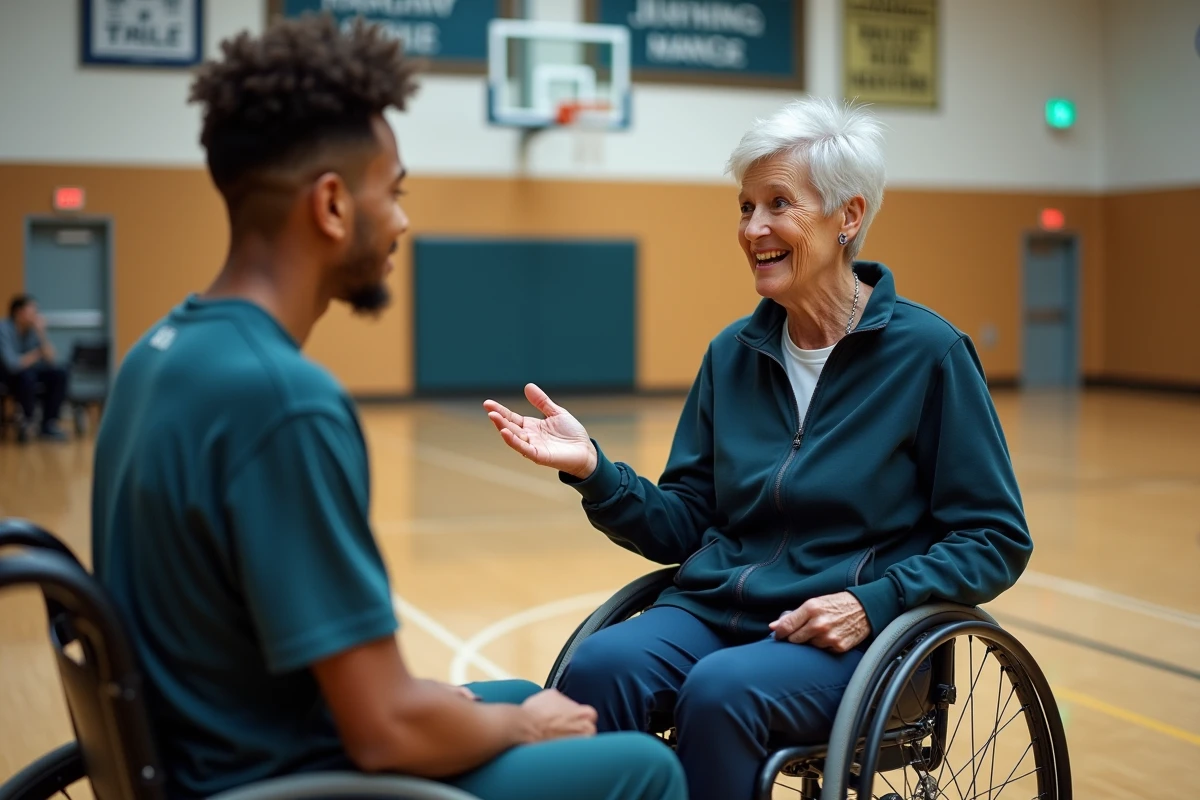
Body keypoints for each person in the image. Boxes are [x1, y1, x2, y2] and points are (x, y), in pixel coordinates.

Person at [90, 14, 684, 800]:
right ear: (332, 205)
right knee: (643, 768)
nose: (402, 220)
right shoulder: (283, 403)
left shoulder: (159, 352)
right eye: (393, 192)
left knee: (509, 693)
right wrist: (515, 728)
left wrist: (491, 714)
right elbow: (384, 731)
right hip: (277, 781)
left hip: (213, 746)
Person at [483, 97, 1033, 800]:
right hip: (716, 614)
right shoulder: (731, 354)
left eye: (778, 204)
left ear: (849, 217)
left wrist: (874, 600)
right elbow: (685, 520)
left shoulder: (929, 355)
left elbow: (995, 536)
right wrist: (594, 470)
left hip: (854, 638)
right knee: (599, 668)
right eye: (745, 207)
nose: (754, 229)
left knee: (720, 692)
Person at [0, 295, 69, 442]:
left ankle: (48, 424)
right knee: (27, 377)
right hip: (9, 376)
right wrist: (37, 354)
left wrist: (42, 334)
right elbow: (12, 364)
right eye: (32, 312)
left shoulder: (33, 331)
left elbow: (52, 360)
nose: (36, 316)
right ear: (19, 312)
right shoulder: (3, 329)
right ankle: (27, 421)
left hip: (29, 372)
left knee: (59, 373)